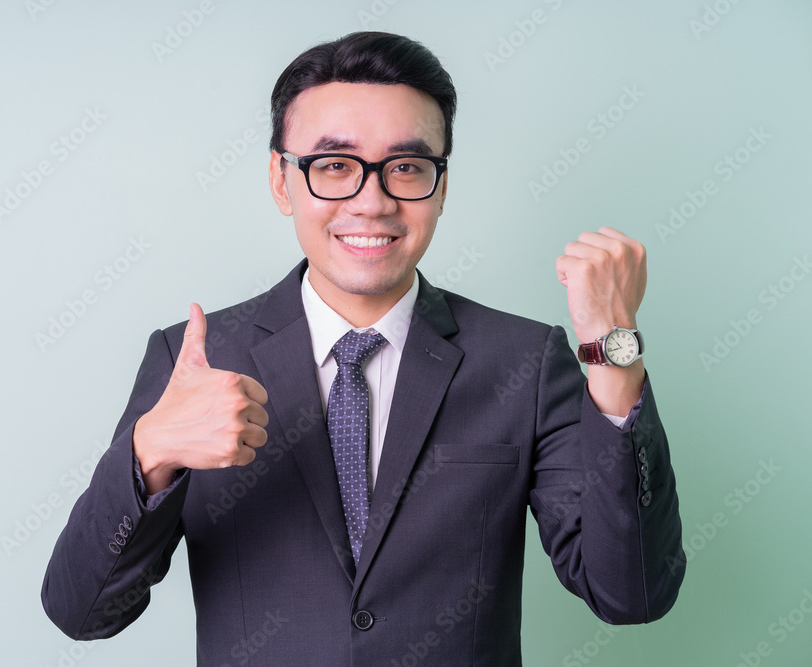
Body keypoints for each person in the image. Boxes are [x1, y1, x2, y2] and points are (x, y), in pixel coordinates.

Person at [42, 31, 685, 665]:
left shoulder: (525, 361)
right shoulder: (195, 361)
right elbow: (82, 612)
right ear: (281, 179)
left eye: (406, 167)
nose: (371, 202)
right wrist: (149, 454)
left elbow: (631, 593)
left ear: (440, 185)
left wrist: (611, 351)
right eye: (334, 166)